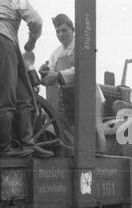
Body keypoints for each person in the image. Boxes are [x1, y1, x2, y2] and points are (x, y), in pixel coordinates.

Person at [0, 0, 53, 158]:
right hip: (2, 41)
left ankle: (28, 144)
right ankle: (3, 148)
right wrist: (31, 42)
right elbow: (35, 21)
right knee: (6, 98)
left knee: (23, 96)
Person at [40, 14, 106, 152]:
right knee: (67, 126)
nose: (61, 34)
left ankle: (96, 156)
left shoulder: (82, 46)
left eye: (64, 30)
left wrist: (58, 75)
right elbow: (51, 73)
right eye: (57, 31)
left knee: (89, 127)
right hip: (67, 95)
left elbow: (83, 69)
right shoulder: (55, 53)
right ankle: (73, 155)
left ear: (73, 29)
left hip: (86, 93)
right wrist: (44, 72)